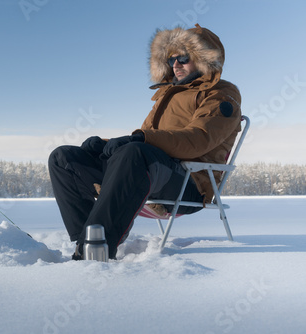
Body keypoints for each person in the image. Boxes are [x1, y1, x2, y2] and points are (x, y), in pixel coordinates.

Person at [48, 24, 242, 260]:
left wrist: (140, 139)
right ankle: (87, 240)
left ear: (203, 59)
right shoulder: (168, 95)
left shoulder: (221, 95)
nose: (176, 65)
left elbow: (197, 140)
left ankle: (99, 248)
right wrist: (104, 144)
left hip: (189, 183)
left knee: (135, 153)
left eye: (183, 57)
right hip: (151, 170)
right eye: (171, 59)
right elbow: (144, 137)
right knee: (64, 158)